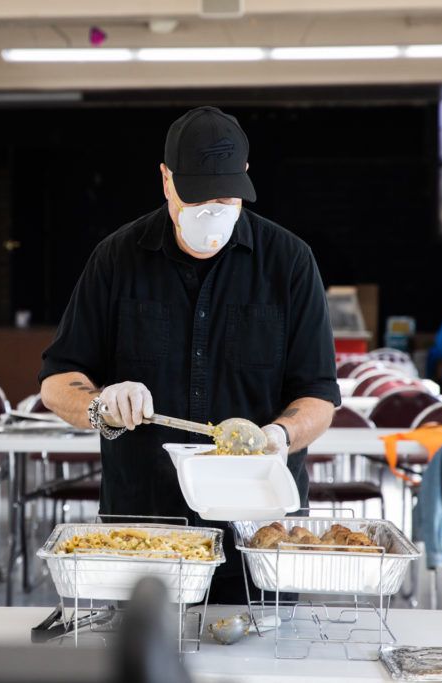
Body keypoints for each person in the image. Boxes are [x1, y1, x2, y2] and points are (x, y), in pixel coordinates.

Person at [39, 106, 341, 604]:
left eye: (225, 197)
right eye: (196, 196)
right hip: (143, 529)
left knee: (264, 667)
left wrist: (278, 435)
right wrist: (100, 405)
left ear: (245, 178)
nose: (212, 211)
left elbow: (319, 396)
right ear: (165, 180)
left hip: (257, 530)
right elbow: (56, 381)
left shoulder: (289, 261)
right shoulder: (116, 258)